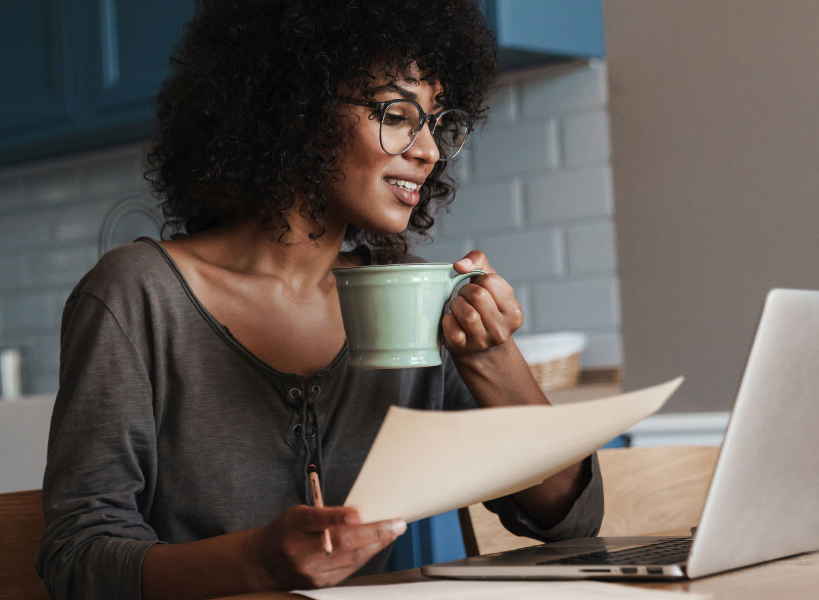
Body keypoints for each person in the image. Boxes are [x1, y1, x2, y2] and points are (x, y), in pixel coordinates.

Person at [35, 1, 603, 598]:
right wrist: (257, 563)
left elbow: (567, 516)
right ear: (295, 108)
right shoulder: (137, 296)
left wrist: (491, 358)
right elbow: (79, 557)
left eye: (436, 123)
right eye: (397, 114)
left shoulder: (413, 293)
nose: (429, 151)